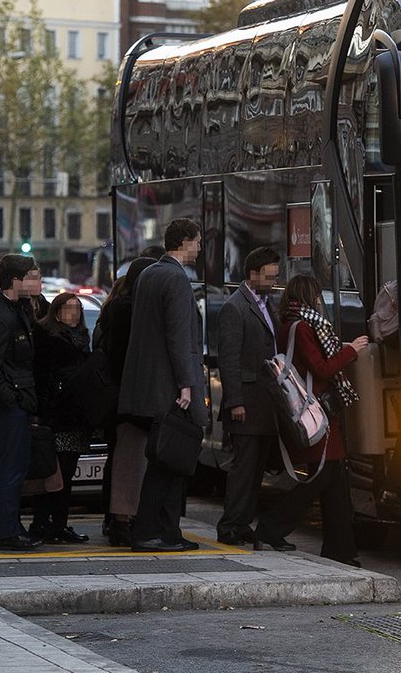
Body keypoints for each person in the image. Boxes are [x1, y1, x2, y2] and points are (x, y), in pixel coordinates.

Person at [254, 274, 369, 567]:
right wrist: (351, 351)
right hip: (316, 412)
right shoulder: (303, 326)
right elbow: (322, 368)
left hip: (317, 412)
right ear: (309, 295)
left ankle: (340, 550)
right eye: (317, 294)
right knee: (321, 479)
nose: (320, 300)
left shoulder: (291, 322)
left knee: (333, 483)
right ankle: (271, 527)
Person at [120, 218, 204, 553]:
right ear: (185, 242)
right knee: (170, 463)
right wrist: (186, 384)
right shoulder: (176, 279)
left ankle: (160, 531)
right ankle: (158, 532)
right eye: (197, 241)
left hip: (146, 384)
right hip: (169, 390)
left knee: (161, 461)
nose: (199, 247)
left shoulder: (149, 274)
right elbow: (179, 336)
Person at [0, 254, 43, 551]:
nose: (39, 281)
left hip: (19, 403)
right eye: (33, 276)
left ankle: (11, 527)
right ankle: (5, 533)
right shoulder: (0, 316)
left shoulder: (19, 309)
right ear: (16, 281)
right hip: (10, 406)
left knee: (17, 466)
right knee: (11, 469)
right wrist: (11, 400)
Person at [215, 246, 281, 547]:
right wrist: (235, 402)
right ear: (254, 273)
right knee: (243, 469)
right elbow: (228, 359)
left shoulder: (268, 303)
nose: (273, 281)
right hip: (247, 403)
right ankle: (230, 525)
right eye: (270, 276)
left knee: (255, 470)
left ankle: (243, 523)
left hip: (265, 403)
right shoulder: (235, 307)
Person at [94, 256, 156, 546]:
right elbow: (123, 356)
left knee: (119, 458)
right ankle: (120, 521)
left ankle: (115, 518)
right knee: (126, 459)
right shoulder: (127, 310)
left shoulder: (117, 306)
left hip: (118, 397)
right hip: (126, 397)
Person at [30, 292, 94, 544]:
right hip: (55, 416)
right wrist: (41, 413)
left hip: (76, 417)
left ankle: (59, 524)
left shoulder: (81, 337)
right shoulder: (47, 336)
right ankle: (43, 522)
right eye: (68, 308)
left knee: (67, 474)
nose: (74, 313)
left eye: (77, 308)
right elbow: (41, 376)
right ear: (56, 311)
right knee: (50, 473)